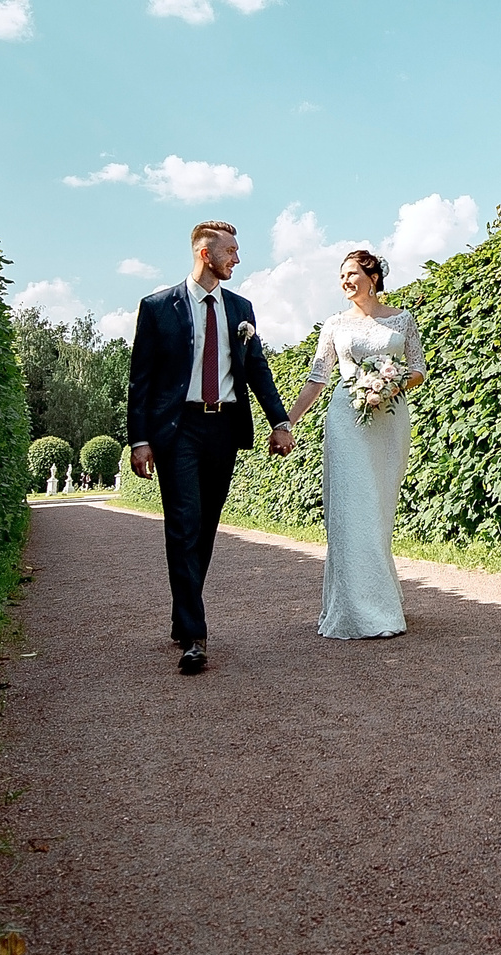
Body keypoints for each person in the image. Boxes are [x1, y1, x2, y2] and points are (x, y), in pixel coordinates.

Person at [127, 221, 294, 675]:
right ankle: (194, 635)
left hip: (224, 430)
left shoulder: (241, 309)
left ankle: (184, 617)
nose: (237, 259)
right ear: (206, 254)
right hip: (177, 429)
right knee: (183, 524)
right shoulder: (157, 307)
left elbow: (257, 369)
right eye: (231, 251)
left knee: (204, 528)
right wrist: (139, 439)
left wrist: (279, 421)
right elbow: (140, 379)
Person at [283, 248, 426, 639]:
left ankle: (382, 600)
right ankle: (355, 610)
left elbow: (419, 370)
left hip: (389, 419)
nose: (345, 281)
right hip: (347, 418)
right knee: (351, 511)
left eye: (351, 274)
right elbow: (317, 378)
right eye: (341, 276)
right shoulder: (334, 324)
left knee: (378, 512)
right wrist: (287, 421)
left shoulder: (403, 319)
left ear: (373, 277)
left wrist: (389, 383)